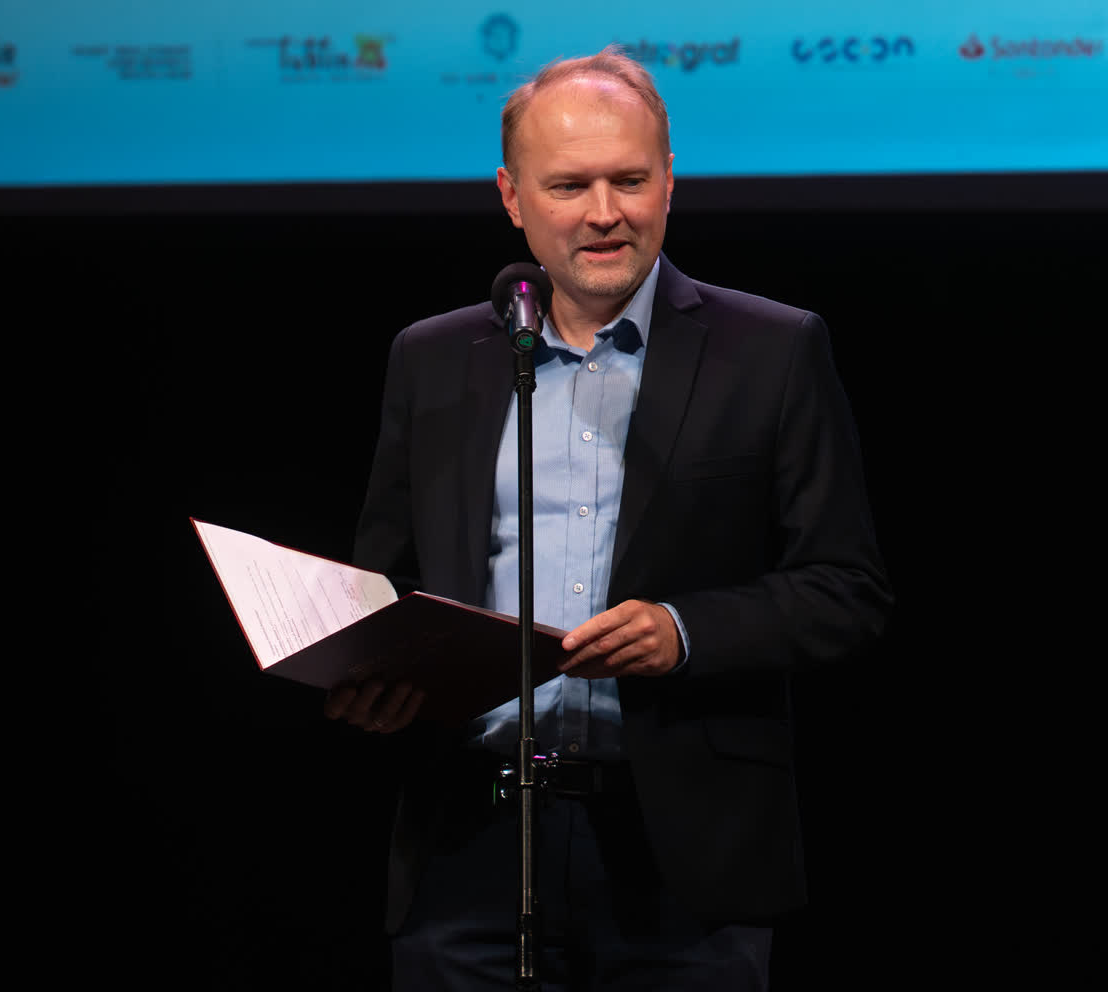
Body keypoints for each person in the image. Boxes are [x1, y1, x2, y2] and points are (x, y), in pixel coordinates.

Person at [324, 46, 892, 990]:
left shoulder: (773, 350)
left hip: (682, 856)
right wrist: (375, 677)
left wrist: (683, 631)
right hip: (468, 846)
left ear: (669, 181)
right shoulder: (434, 358)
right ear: (512, 197)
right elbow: (387, 583)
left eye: (629, 180)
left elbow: (847, 589)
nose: (603, 212)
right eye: (569, 185)